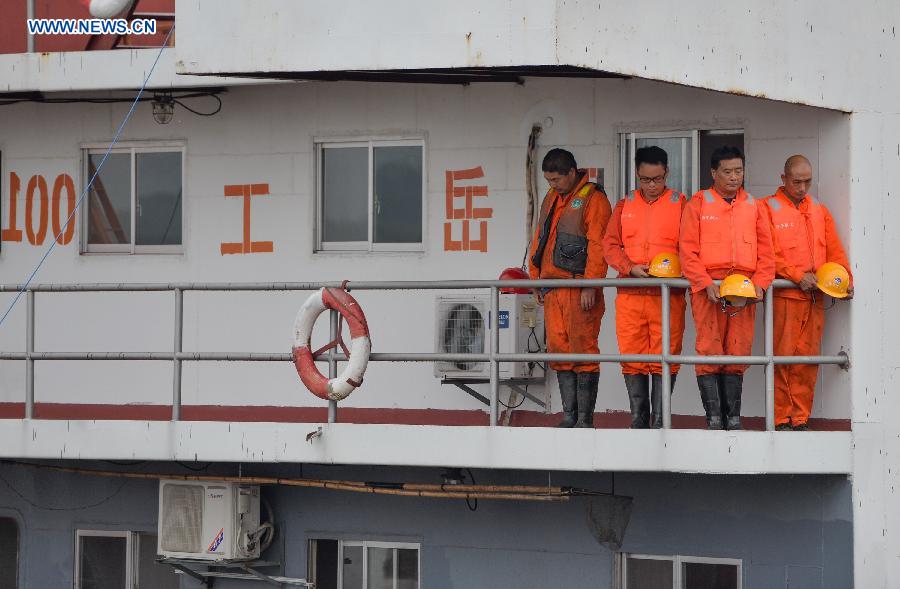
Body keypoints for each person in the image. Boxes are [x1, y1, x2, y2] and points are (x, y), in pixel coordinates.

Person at [679, 146, 775, 430]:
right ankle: (713, 419)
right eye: (727, 172)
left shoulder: (754, 206)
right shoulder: (698, 204)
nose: (734, 177)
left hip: (743, 292)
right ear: (714, 173)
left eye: (739, 171)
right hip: (707, 288)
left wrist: (760, 285)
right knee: (709, 350)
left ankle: (733, 419)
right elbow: (687, 251)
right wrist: (703, 282)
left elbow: (767, 253)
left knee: (738, 351)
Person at [763, 155, 852, 431]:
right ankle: (780, 418)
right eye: (797, 181)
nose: (802, 188)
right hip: (785, 297)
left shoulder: (819, 210)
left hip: (816, 298)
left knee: (807, 360)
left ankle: (800, 417)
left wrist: (845, 278)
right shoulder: (767, 208)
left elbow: (834, 250)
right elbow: (767, 255)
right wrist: (797, 276)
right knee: (782, 359)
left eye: (807, 181)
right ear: (783, 179)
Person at [602, 146, 687, 428]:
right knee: (632, 356)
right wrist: (629, 268)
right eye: (645, 180)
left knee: (665, 356)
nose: (652, 186)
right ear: (637, 175)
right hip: (631, 293)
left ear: (667, 173)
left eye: (658, 179)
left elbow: (691, 247)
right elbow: (610, 246)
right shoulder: (624, 205)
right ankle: (639, 420)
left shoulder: (681, 204)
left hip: (667, 295)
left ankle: (661, 420)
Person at [529, 148, 612, 428]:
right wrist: (535, 278)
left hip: (579, 288)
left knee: (582, 350)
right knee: (559, 350)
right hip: (553, 288)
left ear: (571, 172)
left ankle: (585, 419)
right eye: (548, 180)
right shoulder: (552, 198)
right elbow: (539, 238)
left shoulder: (594, 199)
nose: (552, 185)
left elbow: (599, 245)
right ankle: (569, 415)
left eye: (556, 180)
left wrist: (591, 284)